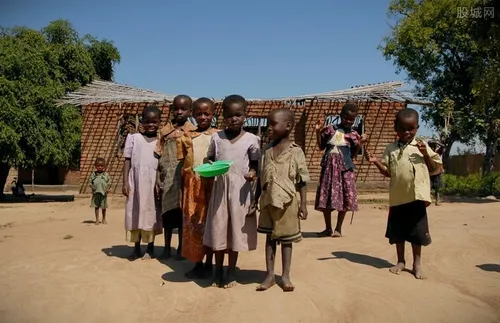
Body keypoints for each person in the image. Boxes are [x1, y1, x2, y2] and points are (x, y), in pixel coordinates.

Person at [364, 108, 441, 279]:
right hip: (398, 198)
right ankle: (400, 261)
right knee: (398, 232)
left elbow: (435, 169)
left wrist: (425, 155)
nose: (407, 132)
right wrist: (376, 162)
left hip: (416, 198)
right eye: (402, 128)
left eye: (411, 129)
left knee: (417, 232)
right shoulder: (390, 149)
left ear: (417, 128)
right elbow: (388, 172)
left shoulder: (422, 146)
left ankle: (417, 264)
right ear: (395, 128)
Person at [204, 94, 260, 289]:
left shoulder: (252, 139)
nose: (233, 119)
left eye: (238, 114)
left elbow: (255, 164)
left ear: (245, 115)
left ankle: (231, 270)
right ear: (223, 116)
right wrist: (209, 166)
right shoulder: (216, 138)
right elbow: (208, 159)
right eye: (229, 115)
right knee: (219, 229)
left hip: (240, 193)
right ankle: (218, 270)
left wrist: (252, 173)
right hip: (220, 190)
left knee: (235, 231)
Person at [256, 108, 309, 292]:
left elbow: (302, 180)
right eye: (268, 124)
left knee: (286, 240)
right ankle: (269, 275)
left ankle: (285, 275)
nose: (269, 129)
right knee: (270, 239)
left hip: (287, 204)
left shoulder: (296, 151)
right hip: (268, 202)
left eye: (273, 124)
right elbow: (260, 178)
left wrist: (303, 204)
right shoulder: (266, 150)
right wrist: (255, 199)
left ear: (288, 126)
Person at [178, 97, 218, 278]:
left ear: (213, 114)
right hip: (192, 187)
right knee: (194, 226)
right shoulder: (186, 137)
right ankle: (198, 263)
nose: (203, 117)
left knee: (210, 224)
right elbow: (182, 167)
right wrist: (180, 191)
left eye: (206, 113)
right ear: (193, 115)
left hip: (213, 186)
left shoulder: (218, 136)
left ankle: (210, 263)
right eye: (199, 114)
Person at [314, 103, 367, 237]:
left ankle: (338, 228)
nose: (348, 121)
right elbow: (321, 146)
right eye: (346, 118)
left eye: (352, 119)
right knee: (326, 197)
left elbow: (354, 155)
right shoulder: (330, 130)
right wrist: (317, 131)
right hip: (329, 169)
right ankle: (328, 228)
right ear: (340, 116)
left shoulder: (354, 134)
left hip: (345, 169)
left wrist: (360, 144)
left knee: (344, 197)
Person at [156, 95, 197, 259]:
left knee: (182, 215)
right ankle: (166, 247)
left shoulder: (192, 132)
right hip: (167, 178)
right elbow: (158, 155)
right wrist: (158, 177)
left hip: (184, 179)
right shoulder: (165, 131)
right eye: (176, 108)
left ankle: (181, 247)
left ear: (190, 111)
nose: (179, 112)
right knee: (167, 213)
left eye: (184, 109)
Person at [123, 106, 163, 260]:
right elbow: (127, 161)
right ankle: (136, 248)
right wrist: (125, 182)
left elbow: (160, 164)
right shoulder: (133, 138)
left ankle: (150, 248)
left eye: (154, 121)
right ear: (142, 121)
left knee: (150, 214)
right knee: (134, 212)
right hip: (135, 181)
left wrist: (158, 180)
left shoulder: (161, 140)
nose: (151, 124)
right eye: (147, 121)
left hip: (152, 183)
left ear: (159, 122)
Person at [89, 157, 111, 224]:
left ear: (104, 166)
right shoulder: (93, 174)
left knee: (103, 207)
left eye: (101, 166)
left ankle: (104, 219)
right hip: (96, 193)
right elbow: (90, 182)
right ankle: (97, 220)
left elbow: (109, 182)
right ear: (95, 166)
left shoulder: (106, 175)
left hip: (103, 193)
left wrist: (107, 189)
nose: (100, 167)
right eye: (98, 166)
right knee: (96, 207)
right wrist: (92, 187)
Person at [428, 139, 444, 206]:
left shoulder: (437, 152)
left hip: (437, 171)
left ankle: (437, 200)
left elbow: (443, 146)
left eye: (434, 146)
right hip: (430, 172)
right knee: (429, 187)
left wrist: (437, 142)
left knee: (437, 187)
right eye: (431, 146)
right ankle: (429, 200)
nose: (432, 147)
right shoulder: (427, 152)